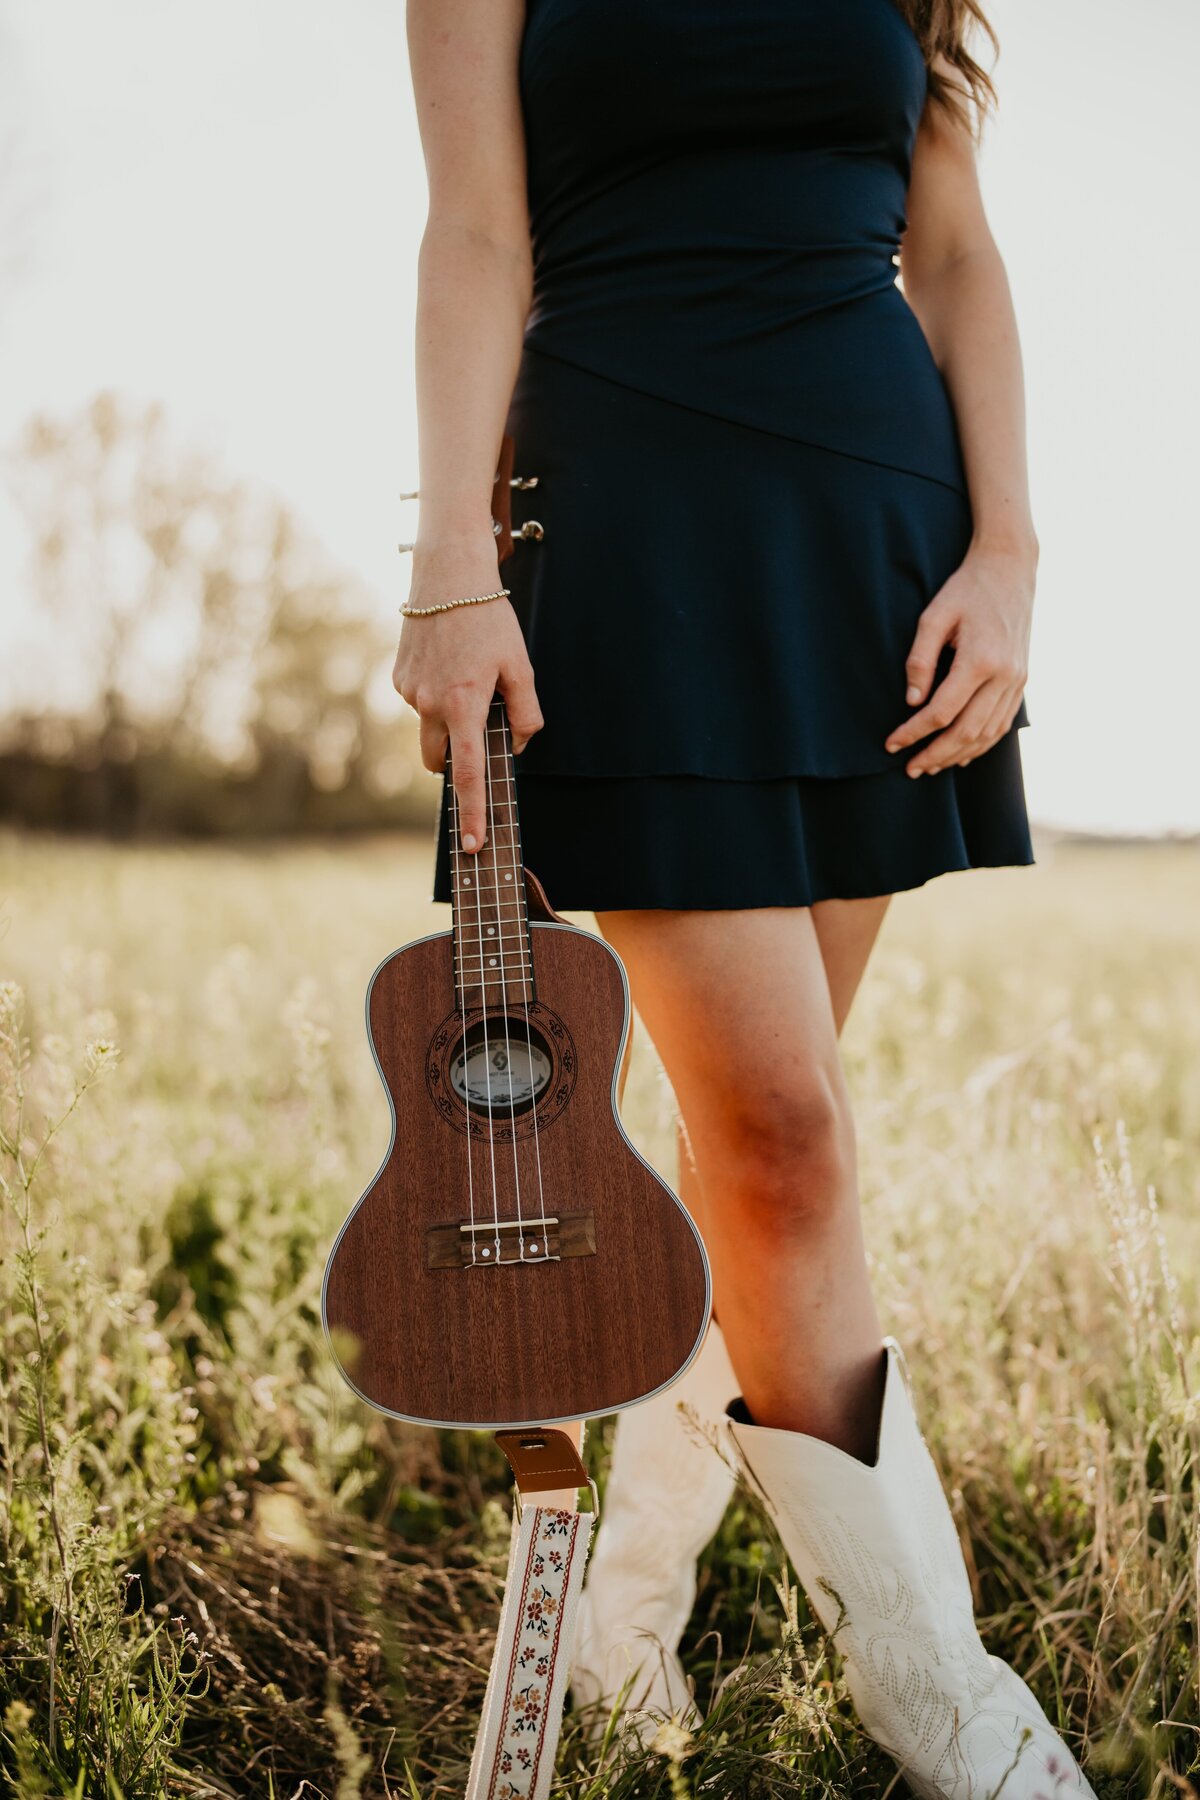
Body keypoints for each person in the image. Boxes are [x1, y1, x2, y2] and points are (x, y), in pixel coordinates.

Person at [394, 2, 1095, 1792]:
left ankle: (622, 1620)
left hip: (867, 534)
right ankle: (957, 1724)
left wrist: (1008, 551)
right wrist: (450, 564)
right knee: (782, 1134)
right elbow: (477, 226)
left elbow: (951, 250)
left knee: (744, 1160)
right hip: (628, 523)